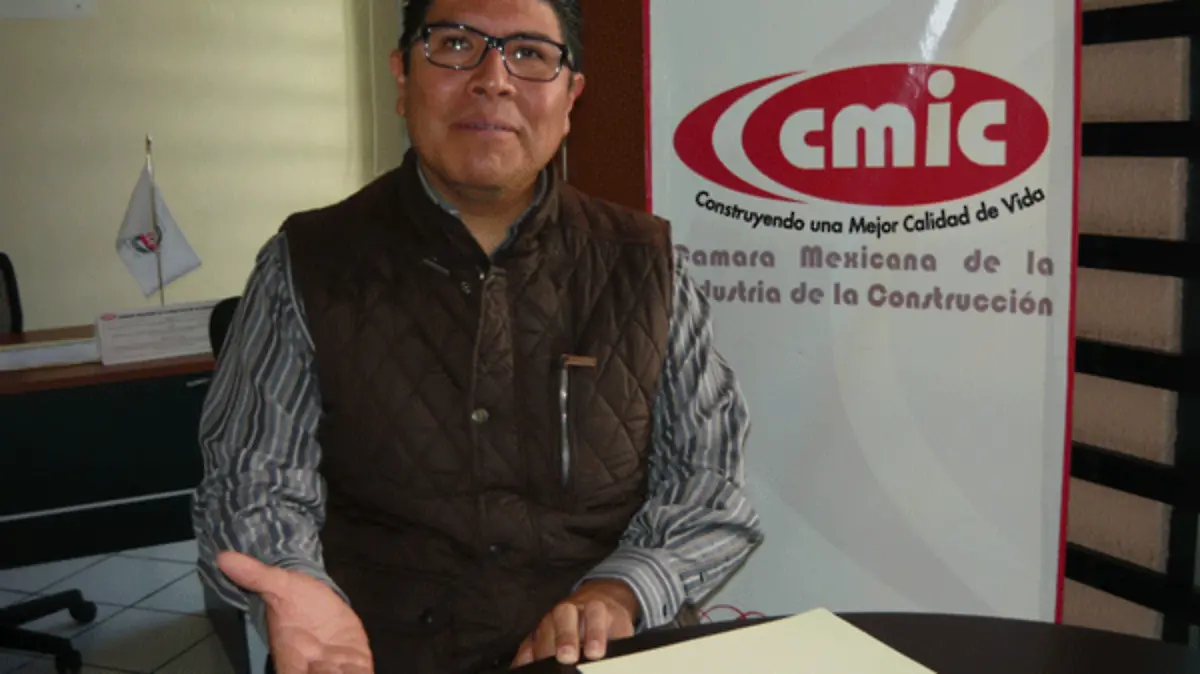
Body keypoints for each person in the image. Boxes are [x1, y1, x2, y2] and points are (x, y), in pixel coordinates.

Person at [192, 0, 762, 671]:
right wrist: (297, 587)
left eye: (530, 54)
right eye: (457, 44)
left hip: (602, 656)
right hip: (371, 655)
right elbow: (254, 482)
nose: (494, 80)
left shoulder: (647, 265)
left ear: (570, 96)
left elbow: (707, 485)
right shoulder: (306, 263)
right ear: (402, 75)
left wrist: (620, 592)